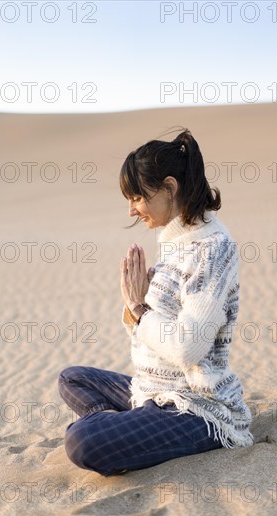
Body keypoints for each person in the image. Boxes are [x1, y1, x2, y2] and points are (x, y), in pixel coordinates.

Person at [58, 127, 254, 477]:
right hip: (152, 389)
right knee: (72, 379)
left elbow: (187, 348)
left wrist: (139, 309)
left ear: (169, 188)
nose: (132, 210)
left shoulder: (212, 249)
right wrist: (138, 309)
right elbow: (148, 333)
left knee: (82, 442)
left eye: (137, 197)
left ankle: (128, 431)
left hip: (195, 406)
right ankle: (132, 426)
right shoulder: (176, 241)